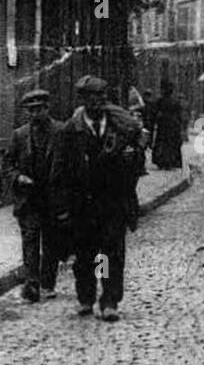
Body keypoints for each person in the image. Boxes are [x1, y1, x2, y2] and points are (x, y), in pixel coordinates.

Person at [50, 75, 142, 322]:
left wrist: (131, 158)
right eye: (92, 97)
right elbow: (59, 171)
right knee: (85, 256)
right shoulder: (71, 130)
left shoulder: (118, 128)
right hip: (82, 205)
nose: (98, 102)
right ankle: (86, 298)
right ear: (83, 100)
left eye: (102, 96)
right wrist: (62, 208)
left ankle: (109, 300)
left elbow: (137, 164)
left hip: (112, 203)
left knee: (110, 254)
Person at [5, 90, 64, 302]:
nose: (35, 114)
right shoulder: (19, 135)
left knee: (51, 243)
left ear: (48, 108)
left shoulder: (61, 131)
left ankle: (48, 283)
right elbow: (8, 164)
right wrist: (18, 177)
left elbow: (71, 164)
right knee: (30, 241)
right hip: (29, 199)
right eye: (31, 110)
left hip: (53, 198)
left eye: (39, 109)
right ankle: (32, 285)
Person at [148, 79, 184, 170]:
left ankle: (162, 161)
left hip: (164, 127)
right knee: (170, 145)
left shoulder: (160, 101)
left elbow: (154, 114)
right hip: (171, 127)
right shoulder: (174, 102)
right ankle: (169, 161)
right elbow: (179, 116)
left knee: (163, 144)